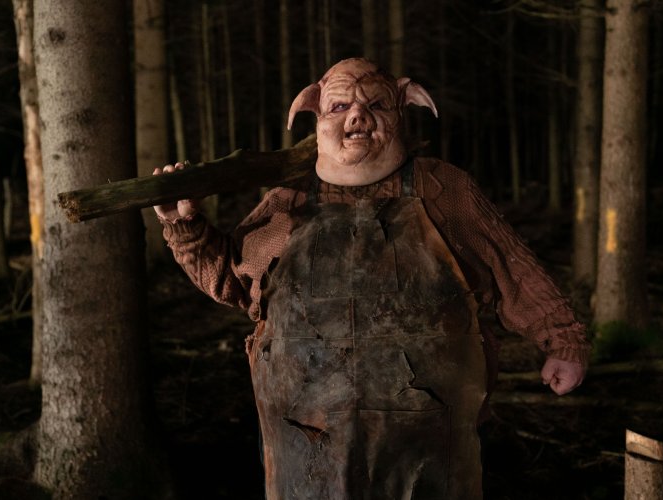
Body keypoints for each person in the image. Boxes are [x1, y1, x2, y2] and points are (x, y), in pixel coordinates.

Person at [154, 58, 590, 500]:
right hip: (307, 432)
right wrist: (185, 227)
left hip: (427, 433)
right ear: (313, 114)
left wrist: (563, 341)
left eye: (376, 105)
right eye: (339, 106)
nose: (357, 116)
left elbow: (510, 266)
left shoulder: (442, 189)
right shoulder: (288, 202)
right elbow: (230, 280)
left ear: (403, 109)